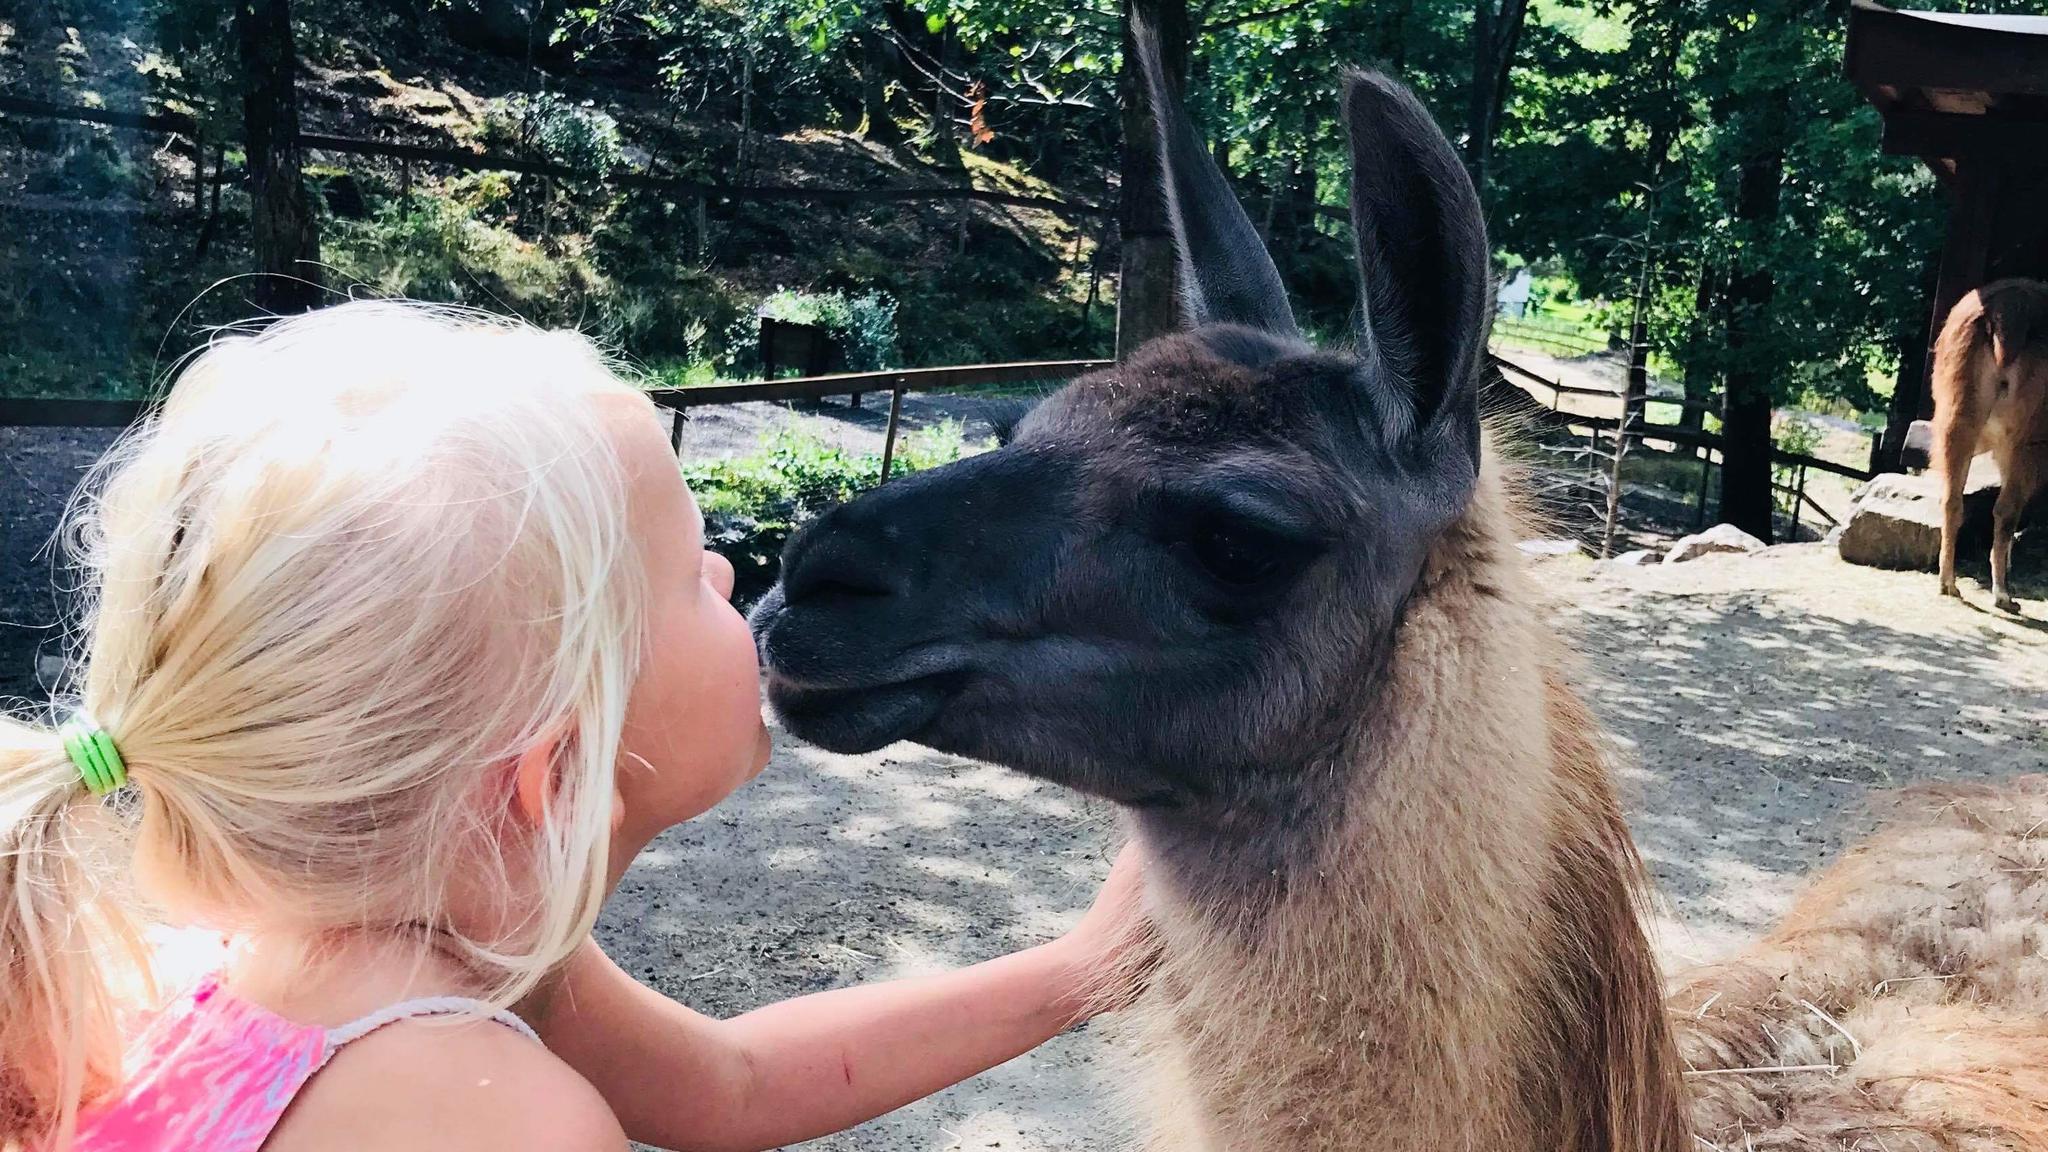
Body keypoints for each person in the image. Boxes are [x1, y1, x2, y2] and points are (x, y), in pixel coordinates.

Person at [0, 301, 1147, 1152]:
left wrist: (1080, 970)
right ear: (545, 774)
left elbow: (733, 1087)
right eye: (685, 575)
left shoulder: (364, 954)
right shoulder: (494, 1126)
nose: (724, 566)